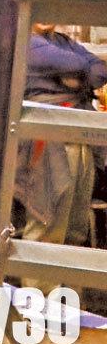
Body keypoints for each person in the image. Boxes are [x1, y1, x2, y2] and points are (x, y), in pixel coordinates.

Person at [15, 23, 107, 293]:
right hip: (46, 143)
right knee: (47, 227)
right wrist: (81, 76)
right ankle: (39, 304)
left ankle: (71, 303)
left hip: (80, 138)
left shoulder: (63, 41)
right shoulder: (25, 40)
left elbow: (99, 70)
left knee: (76, 230)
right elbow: (78, 65)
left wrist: (78, 77)